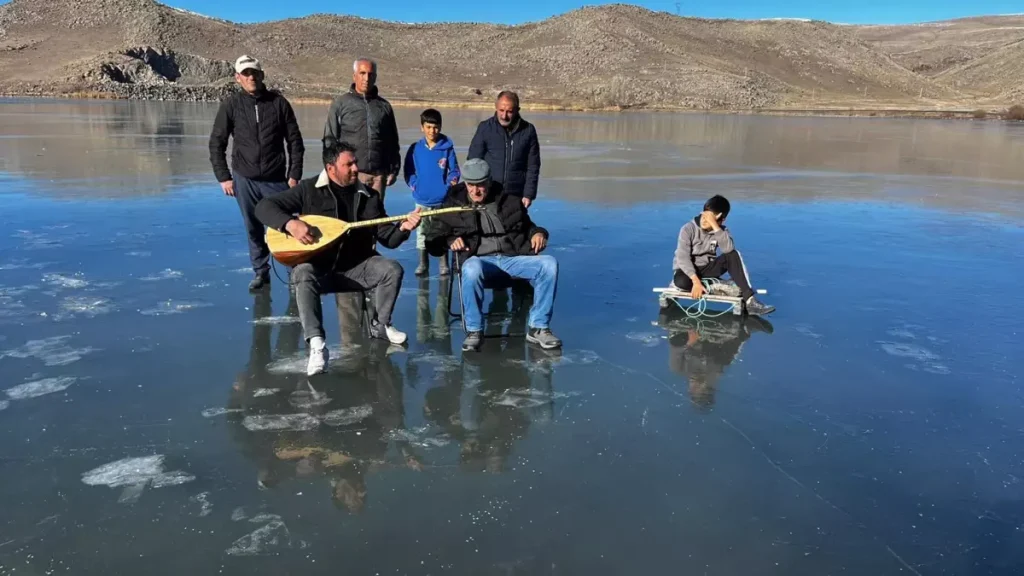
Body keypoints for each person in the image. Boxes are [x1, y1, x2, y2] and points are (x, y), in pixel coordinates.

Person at [254, 142, 421, 376]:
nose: (355, 168)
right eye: (348, 164)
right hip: (319, 271)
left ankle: (380, 325)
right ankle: (317, 345)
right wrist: (290, 224)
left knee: (391, 269)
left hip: (356, 268)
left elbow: (388, 238)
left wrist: (404, 228)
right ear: (331, 168)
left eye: (355, 163)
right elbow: (264, 207)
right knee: (301, 272)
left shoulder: (368, 196)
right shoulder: (308, 190)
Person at [425, 159, 561, 352]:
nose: (475, 191)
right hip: (480, 262)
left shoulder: (508, 200)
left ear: (489, 181)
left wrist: (538, 233)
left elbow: (528, 226)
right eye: (471, 185)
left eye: (480, 185)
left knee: (549, 264)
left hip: (512, 259)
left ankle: (539, 327)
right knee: (471, 268)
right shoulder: (453, 204)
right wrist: (448, 240)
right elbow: (432, 240)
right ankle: (474, 331)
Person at [209, 55, 305, 291]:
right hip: (245, 179)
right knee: (253, 227)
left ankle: (294, 272)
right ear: (238, 78)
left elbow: (295, 141)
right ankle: (261, 273)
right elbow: (216, 142)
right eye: (246, 73)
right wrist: (224, 177)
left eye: (255, 73)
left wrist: (294, 174)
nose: (251, 77)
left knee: (287, 225)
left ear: (262, 75)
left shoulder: (278, 103)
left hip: (276, 180)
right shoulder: (231, 105)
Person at [672, 195, 775, 316]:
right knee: (681, 282)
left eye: (710, 219)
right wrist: (695, 282)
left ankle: (750, 301)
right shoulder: (688, 229)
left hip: (707, 268)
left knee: (733, 254)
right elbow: (682, 258)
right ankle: (717, 285)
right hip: (687, 272)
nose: (705, 221)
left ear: (721, 219)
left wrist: (715, 226)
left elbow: (728, 250)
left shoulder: (721, 230)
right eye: (704, 217)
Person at [322, 58, 400, 201]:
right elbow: (330, 140)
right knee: (351, 218)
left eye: (370, 74)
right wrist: (331, 171)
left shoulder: (384, 106)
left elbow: (392, 142)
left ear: (375, 77)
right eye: (362, 73)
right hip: (350, 175)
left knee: (375, 220)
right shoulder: (340, 104)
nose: (366, 78)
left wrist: (394, 170)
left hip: (378, 177)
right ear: (354, 76)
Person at [403, 108, 461, 277]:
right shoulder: (415, 149)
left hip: (442, 201)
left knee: (441, 231)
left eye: (435, 127)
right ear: (422, 127)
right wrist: (415, 185)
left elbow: (454, 170)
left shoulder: (447, 147)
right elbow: (409, 171)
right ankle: (423, 263)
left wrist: (448, 186)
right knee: (422, 233)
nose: (432, 131)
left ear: (440, 127)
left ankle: (443, 264)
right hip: (421, 200)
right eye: (428, 127)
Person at [467, 91, 540, 208]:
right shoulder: (485, 128)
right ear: (496, 107)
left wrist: (528, 194)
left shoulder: (528, 131)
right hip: (489, 193)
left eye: (509, 112)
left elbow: (533, 166)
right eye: (501, 110)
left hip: (516, 195)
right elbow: (473, 161)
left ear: (517, 110)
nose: (504, 116)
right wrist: (475, 191)